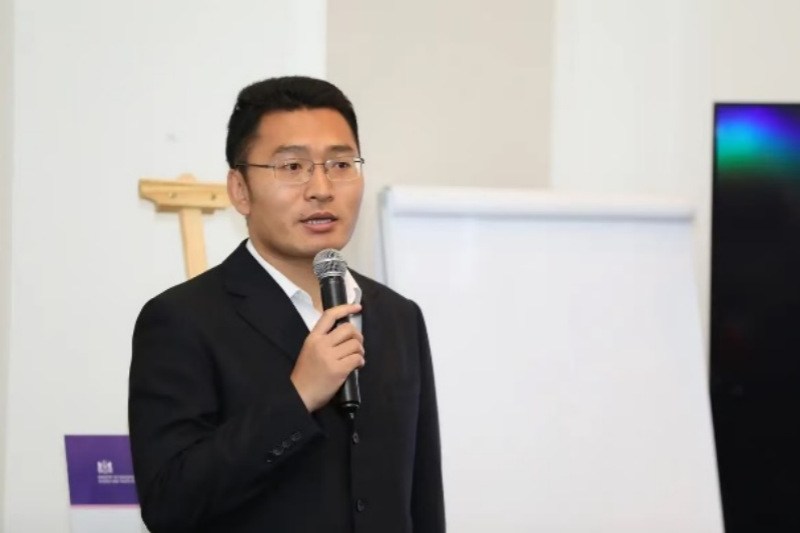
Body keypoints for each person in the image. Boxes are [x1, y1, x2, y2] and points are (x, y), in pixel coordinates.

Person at [128, 76, 445, 533]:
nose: (321, 188)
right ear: (240, 190)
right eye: (293, 166)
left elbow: (422, 496)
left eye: (341, 164)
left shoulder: (399, 317)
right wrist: (297, 398)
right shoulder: (182, 320)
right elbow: (168, 503)